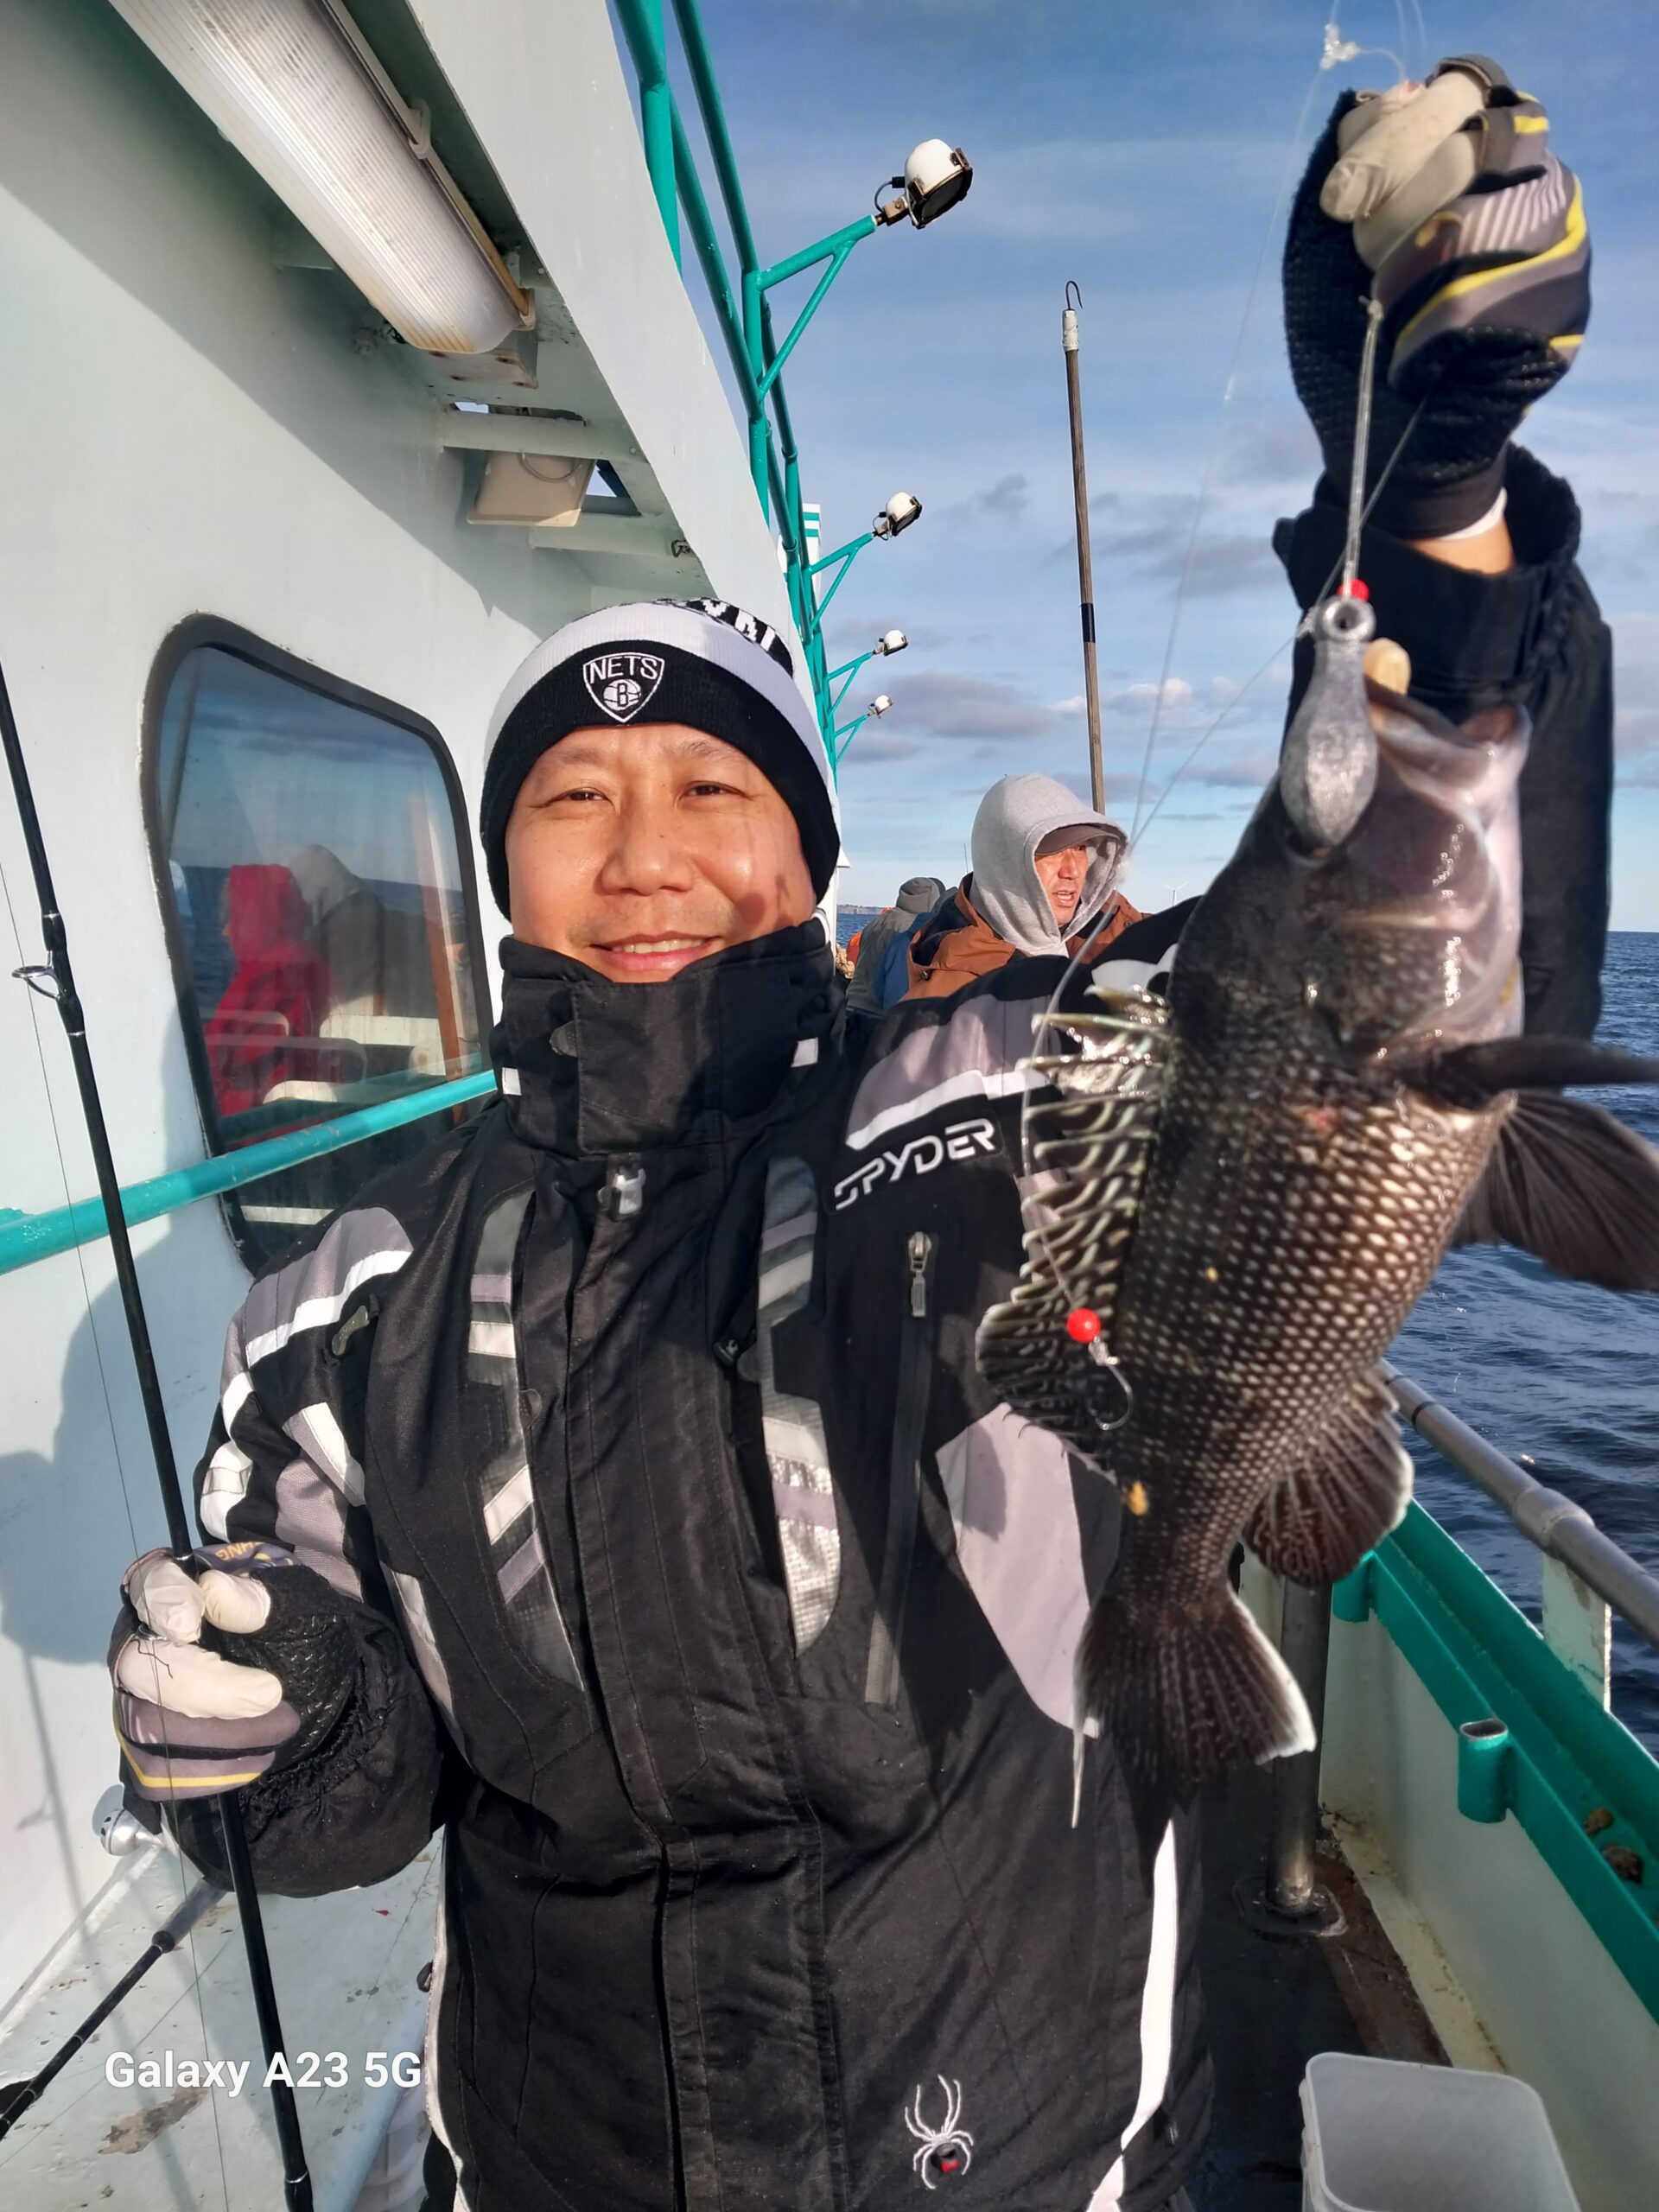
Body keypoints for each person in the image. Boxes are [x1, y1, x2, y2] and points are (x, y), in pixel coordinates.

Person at [106, 60, 1604, 2212]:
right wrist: (265, 1723)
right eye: (573, 798)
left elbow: (1376, 961)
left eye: (716, 793)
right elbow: (344, 1800)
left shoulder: (983, 1095)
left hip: (1022, 2133)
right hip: (557, 2153)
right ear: (495, 871)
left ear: (804, 859)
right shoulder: (341, 1301)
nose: (643, 850)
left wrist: (1438, 524)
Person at [903, 773, 1142, 999]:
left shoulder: (1101, 938)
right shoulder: (951, 1002)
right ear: (1003, 861)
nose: (1074, 871)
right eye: (1054, 851)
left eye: (1081, 848)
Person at [201, 861, 337, 1119]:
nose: (224, 931)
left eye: (234, 916)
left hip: (261, 1121)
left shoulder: (267, 976)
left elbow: (224, 1061)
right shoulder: (304, 961)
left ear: (255, 918)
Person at [844, 873, 946, 1013]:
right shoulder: (911, 930)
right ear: (932, 901)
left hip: (852, 1004)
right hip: (877, 1012)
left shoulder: (877, 921)